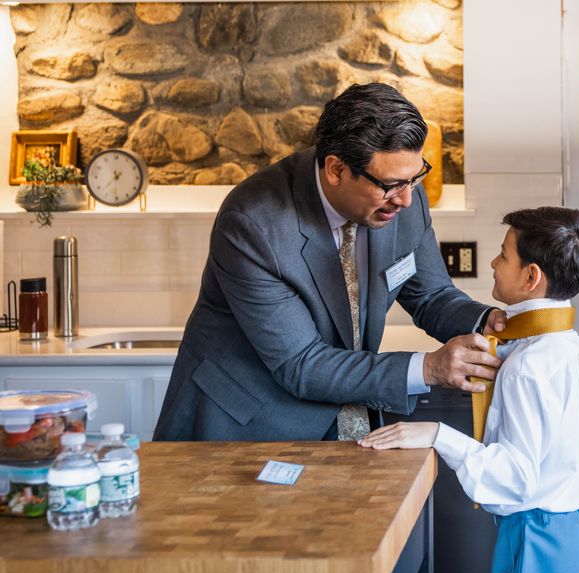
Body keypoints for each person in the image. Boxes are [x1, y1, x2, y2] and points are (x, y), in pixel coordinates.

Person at [155, 83, 505, 442]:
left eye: (416, 177)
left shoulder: (402, 199)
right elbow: (301, 364)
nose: (406, 199)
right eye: (392, 184)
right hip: (249, 424)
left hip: (345, 413)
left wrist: (489, 322)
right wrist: (428, 367)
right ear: (336, 170)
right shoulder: (254, 223)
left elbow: (431, 296)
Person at [360, 206, 579, 573]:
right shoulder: (568, 345)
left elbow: (515, 478)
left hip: (536, 540)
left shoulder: (527, 365)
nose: (494, 265)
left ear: (531, 276)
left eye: (503, 255)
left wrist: (437, 434)